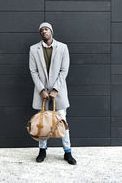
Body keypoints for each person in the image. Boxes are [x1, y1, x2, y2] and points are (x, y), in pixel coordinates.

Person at [29, 22, 77, 164]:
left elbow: (64, 70)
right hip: (41, 93)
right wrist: (42, 90)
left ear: (51, 31)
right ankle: (42, 151)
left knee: (62, 121)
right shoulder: (33, 49)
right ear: (40, 33)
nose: (44, 31)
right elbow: (33, 71)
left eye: (47, 29)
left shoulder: (63, 48)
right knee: (42, 123)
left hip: (59, 91)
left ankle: (67, 152)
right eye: (42, 30)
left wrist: (55, 89)